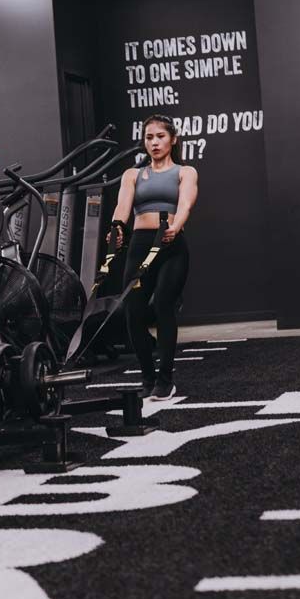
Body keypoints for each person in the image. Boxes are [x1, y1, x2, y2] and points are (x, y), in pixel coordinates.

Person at [108, 114, 198, 400]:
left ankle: (165, 380)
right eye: (149, 137)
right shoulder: (132, 175)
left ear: (173, 139)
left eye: (160, 136)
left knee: (162, 305)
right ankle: (148, 378)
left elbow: (185, 203)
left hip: (171, 245)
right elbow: (123, 206)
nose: (155, 142)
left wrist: (176, 225)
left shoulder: (185, 172)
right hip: (140, 245)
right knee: (133, 311)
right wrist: (117, 227)